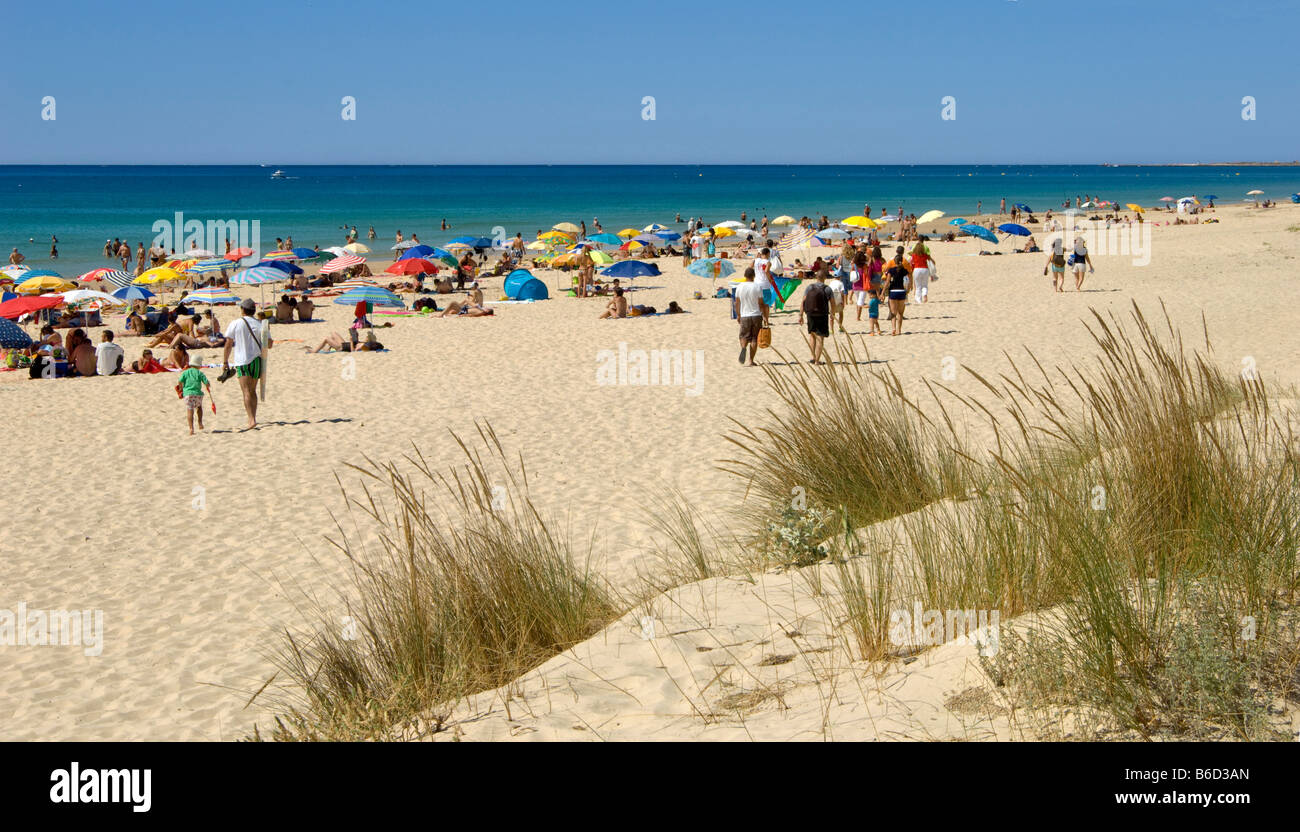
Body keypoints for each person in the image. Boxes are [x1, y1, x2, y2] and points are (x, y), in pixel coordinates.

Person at [222, 298, 270, 430]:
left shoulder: (236, 323)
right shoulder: (261, 324)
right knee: (252, 390)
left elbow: (228, 344)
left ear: (242, 309)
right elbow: (269, 344)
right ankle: (253, 417)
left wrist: (225, 361)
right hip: (257, 360)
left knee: (246, 391)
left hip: (242, 361)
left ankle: (251, 419)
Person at [733, 266, 768, 366]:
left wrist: (738, 315)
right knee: (754, 338)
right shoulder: (757, 287)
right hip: (756, 315)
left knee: (743, 335)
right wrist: (765, 316)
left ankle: (743, 347)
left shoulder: (740, 287)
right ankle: (751, 360)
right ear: (754, 276)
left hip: (745, 315)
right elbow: (761, 303)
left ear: (745, 276)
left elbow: (737, 303)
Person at [800, 266, 833, 364]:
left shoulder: (809, 287)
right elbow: (833, 303)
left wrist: (800, 315)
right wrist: (832, 314)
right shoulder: (827, 289)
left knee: (812, 335)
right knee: (820, 337)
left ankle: (813, 357)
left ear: (816, 277)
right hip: (822, 315)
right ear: (824, 278)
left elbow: (803, 301)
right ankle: (817, 361)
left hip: (810, 314)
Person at [178, 353, 212, 434]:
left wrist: (180, 388)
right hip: (198, 394)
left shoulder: (186, 372)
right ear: (199, 365)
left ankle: (191, 428)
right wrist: (207, 385)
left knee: (190, 410)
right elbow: (207, 382)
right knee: (199, 408)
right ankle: (200, 423)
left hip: (188, 394)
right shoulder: (200, 373)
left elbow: (180, 381)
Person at [884, 248, 913, 336]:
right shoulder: (904, 270)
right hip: (901, 292)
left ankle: (893, 329)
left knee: (893, 312)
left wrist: (882, 293)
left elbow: (887, 282)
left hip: (893, 291)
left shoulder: (891, 270)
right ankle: (899, 330)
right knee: (900, 313)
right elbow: (909, 278)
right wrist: (909, 288)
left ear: (895, 261)